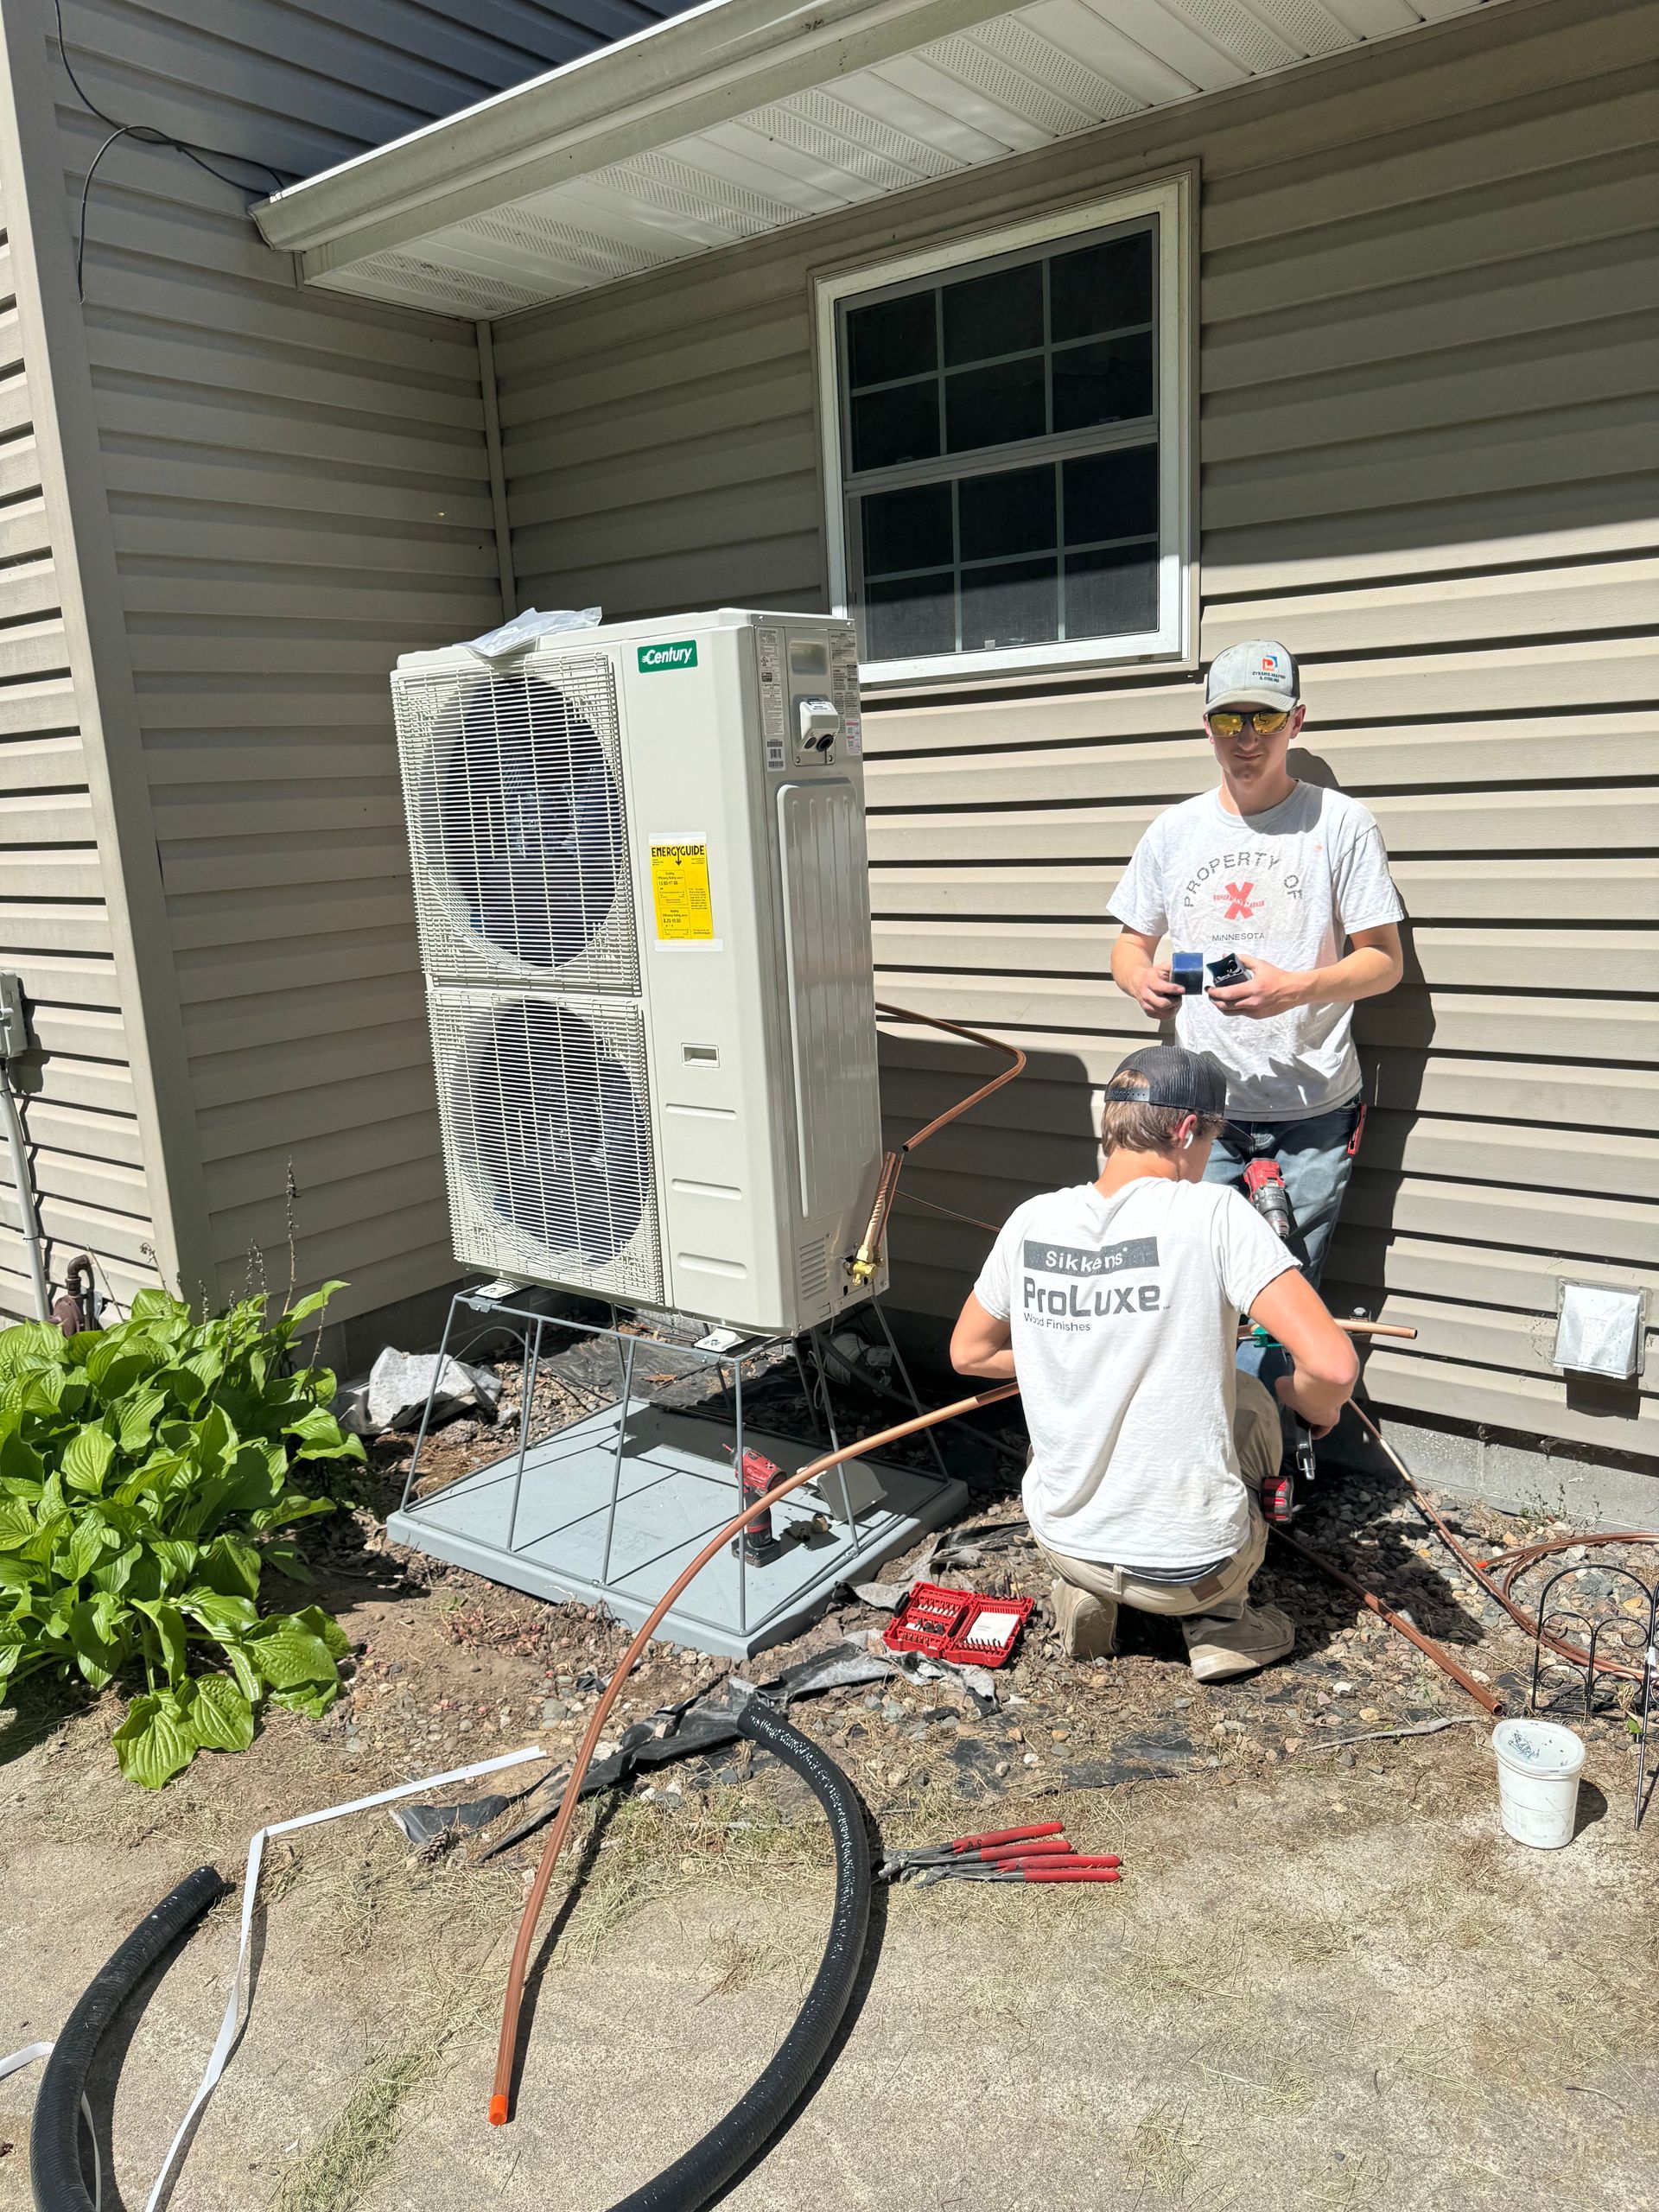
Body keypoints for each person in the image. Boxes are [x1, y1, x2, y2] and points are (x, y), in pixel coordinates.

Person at [950, 1044, 1357, 1681]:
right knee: (1250, 1396)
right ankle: (1222, 1624)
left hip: (1067, 1544)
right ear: (1188, 1129)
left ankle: (1087, 1593)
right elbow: (1332, 1367)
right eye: (1211, 1138)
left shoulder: (1032, 1220)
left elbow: (968, 1353)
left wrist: (1071, 1358)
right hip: (1196, 1571)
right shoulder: (1214, 1212)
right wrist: (1307, 1402)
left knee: (1066, 1416)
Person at [1107, 639, 1405, 1299]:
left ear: (1296, 721)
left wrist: (1293, 989)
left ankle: (1262, 1407)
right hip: (1196, 1116)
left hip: (1313, 1112)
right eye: (1229, 719)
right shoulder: (1173, 831)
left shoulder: (1341, 823)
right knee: (1192, 1292)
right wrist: (1141, 980)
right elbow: (1129, 947)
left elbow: (1385, 963)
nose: (1247, 738)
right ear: (1205, 724)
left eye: (1265, 719)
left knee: (1281, 1299)